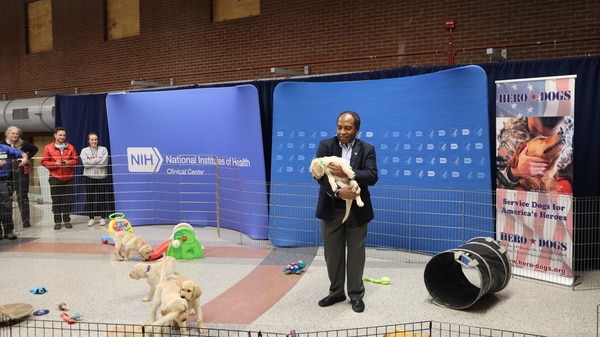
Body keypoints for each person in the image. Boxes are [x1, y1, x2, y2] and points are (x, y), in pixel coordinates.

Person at [313, 111, 378, 313]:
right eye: (340, 127)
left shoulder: (367, 148)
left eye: (347, 128)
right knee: (332, 254)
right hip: (332, 208)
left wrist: (348, 174)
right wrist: (340, 192)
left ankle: (356, 294)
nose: (342, 131)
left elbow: (372, 175)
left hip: (357, 211)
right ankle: (336, 292)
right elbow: (318, 175)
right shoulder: (326, 145)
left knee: (357, 254)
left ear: (357, 129)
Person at [496, 116, 573, 193]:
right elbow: (496, 180)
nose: (552, 137)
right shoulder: (511, 135)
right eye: (541, 138)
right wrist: (515, 172)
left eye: (554, 132)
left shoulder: (570, 124)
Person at [1, 126, 39, 228]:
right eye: (12, 133)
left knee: (22, 196)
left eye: (17, 134)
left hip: (20, 172)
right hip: (6, 174)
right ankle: (8, 223)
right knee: (6, 198)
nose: (15, 135)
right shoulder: (2, 144)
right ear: (7, 134)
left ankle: (26, 221)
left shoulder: (22, 144)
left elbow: (35, 149)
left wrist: (26, 158)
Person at [41, 127, 78, 230]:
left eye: (64, 135)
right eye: (60, 135)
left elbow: (75, 160)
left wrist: (68, 163)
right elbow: (44, 162)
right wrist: (55, 164)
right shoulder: (48, 147)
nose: (62, 137)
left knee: (68, 200)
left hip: (69, 177)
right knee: (56, 201)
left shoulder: (70, 147)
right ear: (55, 135)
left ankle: (66, 220)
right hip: (54, 177)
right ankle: (57, 221)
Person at [80, 132, 110, 227]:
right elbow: (86, 164)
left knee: (102, 198)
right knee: (90, 198)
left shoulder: (103, 149)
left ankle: (102, 218)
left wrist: (91, 161)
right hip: (89, 177)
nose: (94, 141)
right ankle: (91, 218)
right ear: (88, 141)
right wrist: (98, 159)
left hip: (101, 177)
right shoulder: (84, 151)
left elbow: (104, 164)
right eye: (92, 140)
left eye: (95, 139)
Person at [0, 142, 28, 240]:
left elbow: (19, 152)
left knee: (7, 206)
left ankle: (8, 231)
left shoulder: (4, 148)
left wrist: (25, 158)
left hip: (4, 180)